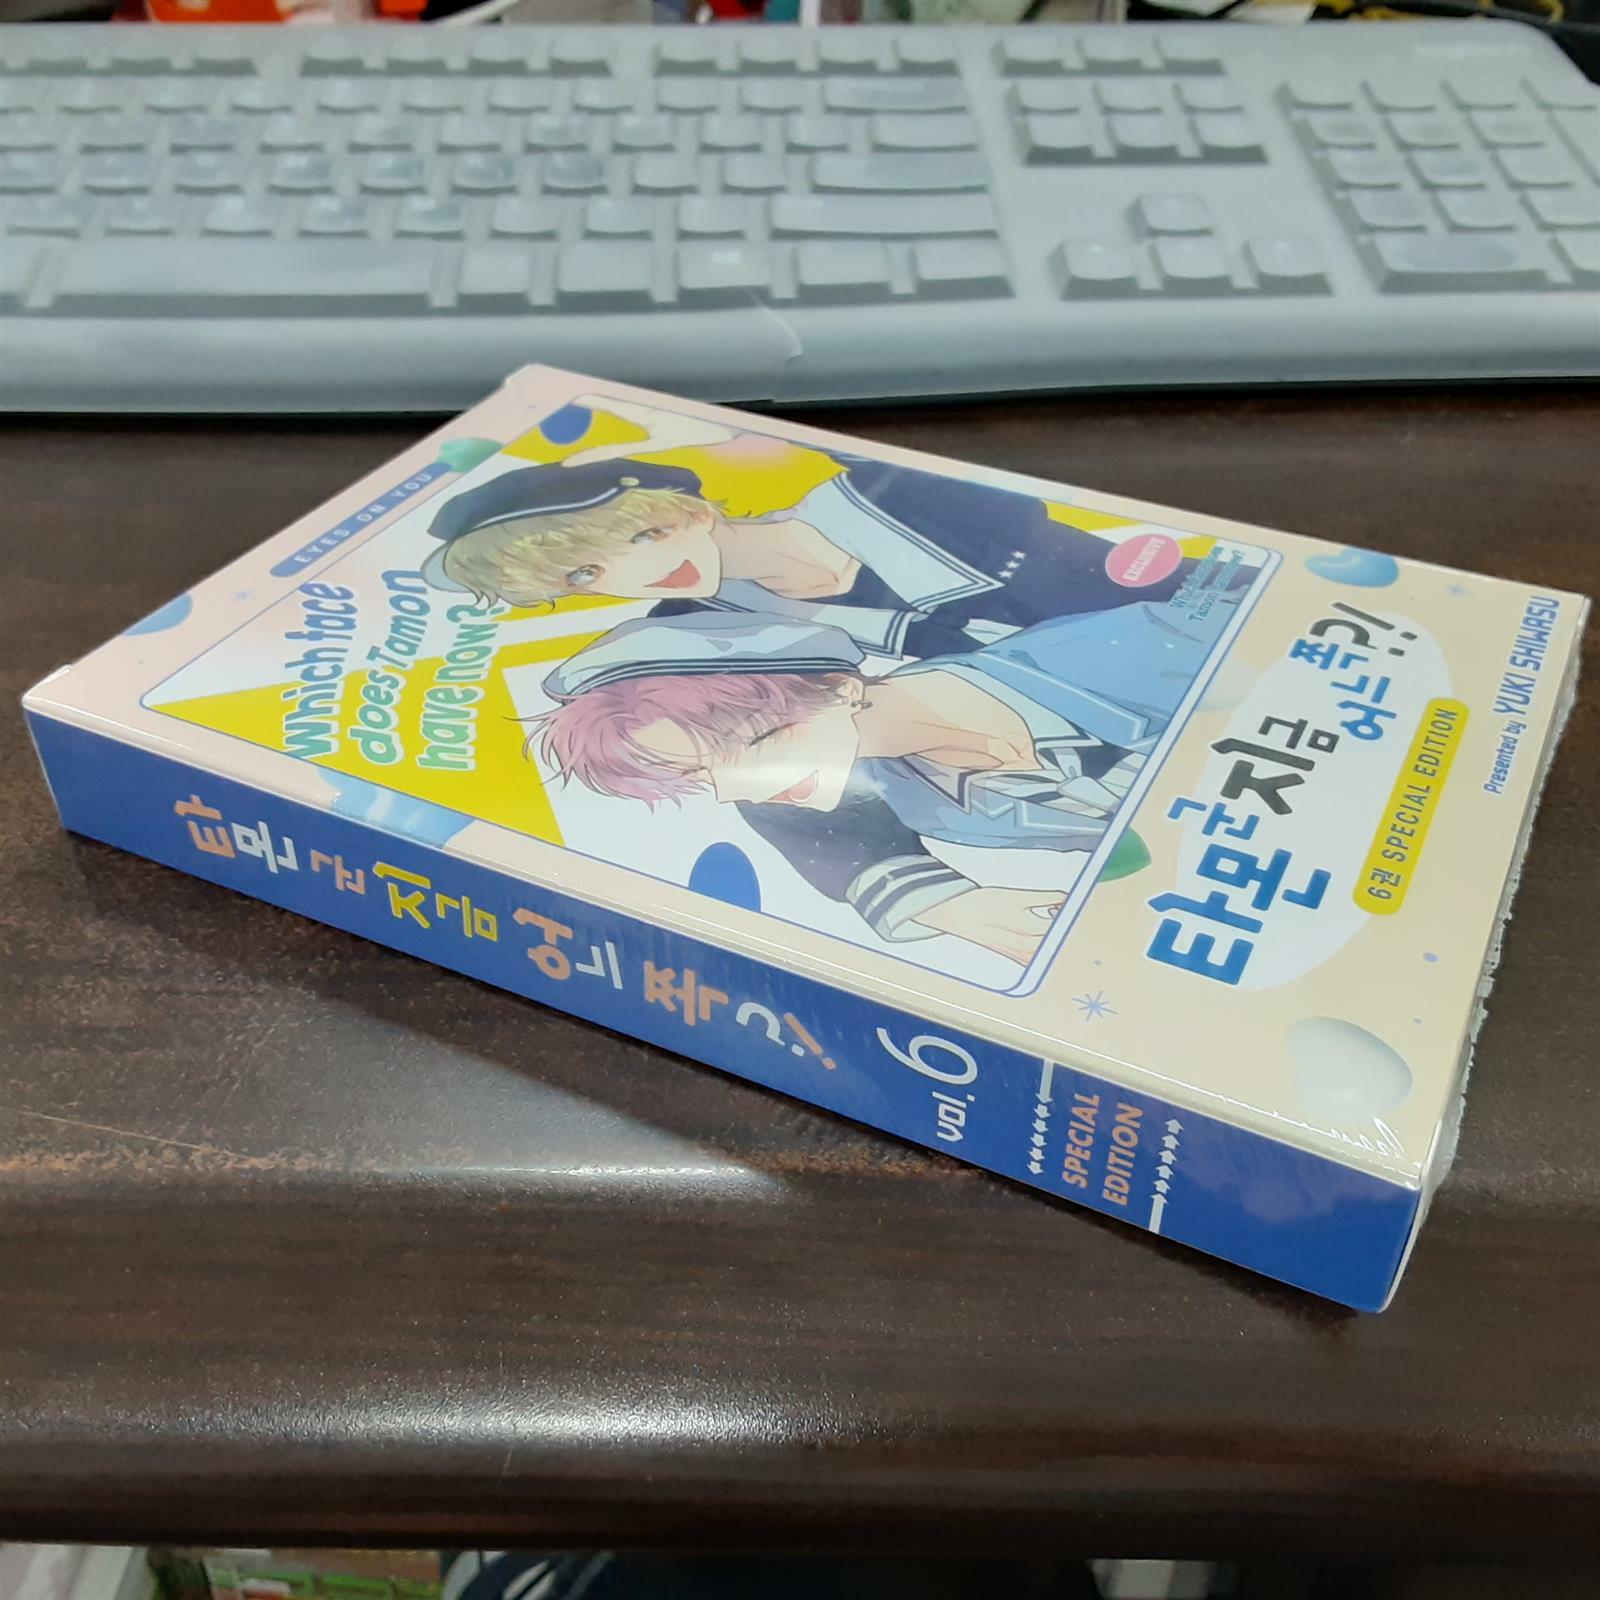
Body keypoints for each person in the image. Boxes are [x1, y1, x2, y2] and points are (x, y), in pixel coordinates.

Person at [533, 597, 1238, 969]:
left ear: (841, 686)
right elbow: (813, 830)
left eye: (752, 744)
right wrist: (949, 906)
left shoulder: (1134, 647)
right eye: (699, 772)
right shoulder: (907, 797)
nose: (732, 790)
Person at [421, 393, 1244, 662]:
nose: (638, 573)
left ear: (679, 505)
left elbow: (1137, 573)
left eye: (636, 537)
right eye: (585, 576)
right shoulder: (709, 633)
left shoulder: (896, 491)